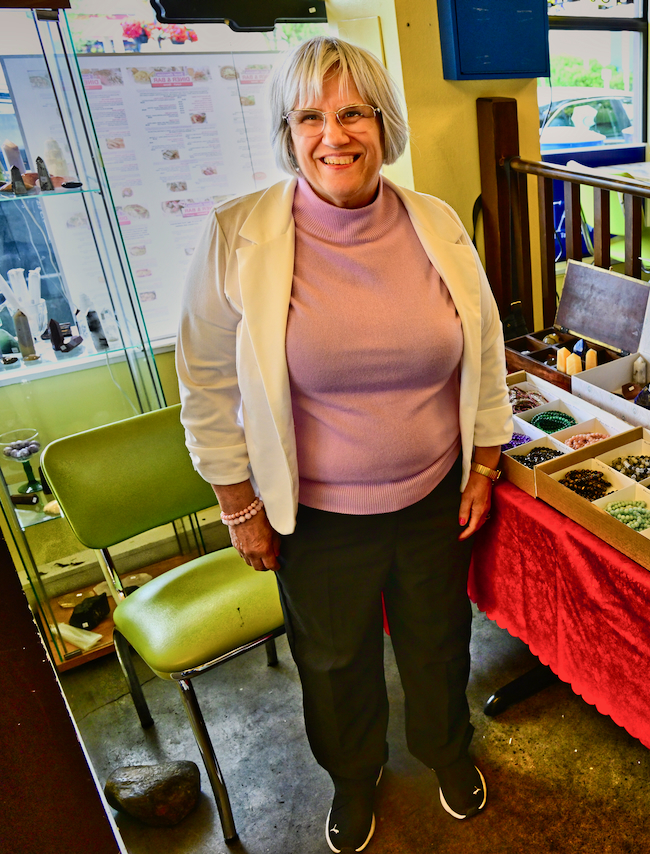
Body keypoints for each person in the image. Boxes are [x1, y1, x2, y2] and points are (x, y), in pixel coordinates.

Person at [176, 36, 513, 853]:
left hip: (433, 496)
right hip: (317, 514)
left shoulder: (435, 224)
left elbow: (486, 346)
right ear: (287, 132)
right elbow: (205, 385)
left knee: (438, 642)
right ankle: (354, 778)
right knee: (333, 664)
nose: (335, 135)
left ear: (383, 124)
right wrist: (238, 505)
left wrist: (484, 461)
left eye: (354, 112)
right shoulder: (237, 235)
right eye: (310, 117)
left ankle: (447, 751)